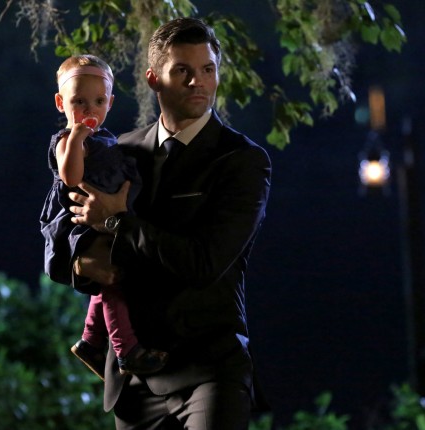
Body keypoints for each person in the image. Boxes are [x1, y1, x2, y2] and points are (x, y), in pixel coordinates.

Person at [65, 17, 271, 429]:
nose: (198, 82)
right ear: (153, 79)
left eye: (208, 69)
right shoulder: (118, 150)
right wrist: (78, 262)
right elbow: (66, 230)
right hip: (134, 382)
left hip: (209, 369)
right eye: (183, 71)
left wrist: (118, 222)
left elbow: (204, 263)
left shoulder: (242, 161)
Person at [39, 54, 169, 381]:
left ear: (110, 103)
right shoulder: (68, 141)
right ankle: (127, 350)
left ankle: (90, 340)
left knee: (114, 276)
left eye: (98, 101)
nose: (89, 110)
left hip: (109, 221)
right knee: (112, 278)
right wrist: (77, 137)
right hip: (82, 224)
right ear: (61, 103)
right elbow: (70, 176)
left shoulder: (108, 139)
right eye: (79, 102)